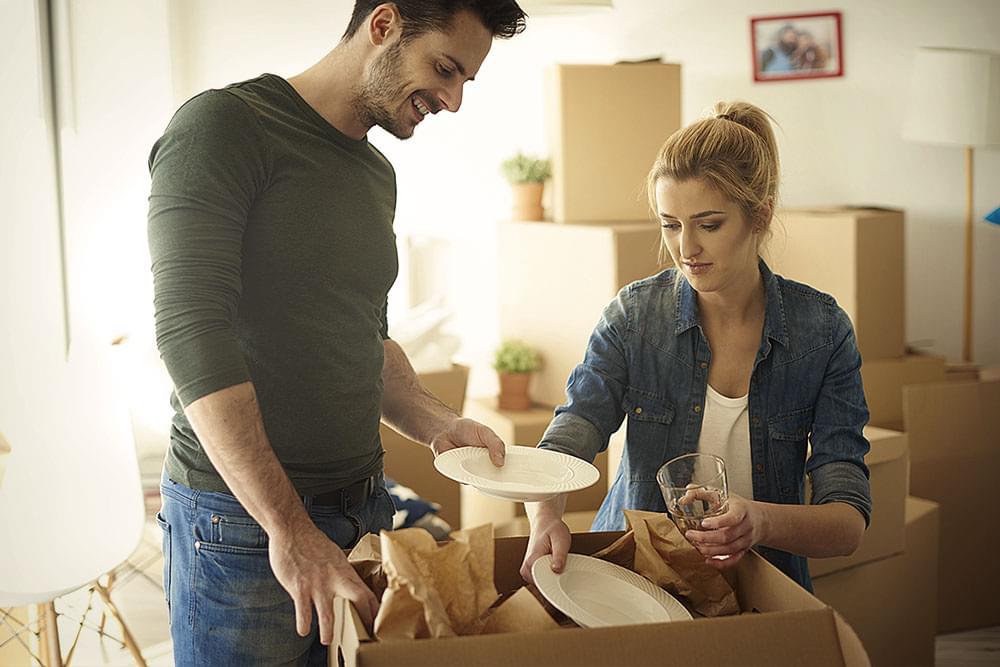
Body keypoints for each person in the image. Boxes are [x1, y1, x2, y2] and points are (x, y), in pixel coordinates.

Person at [147, 2, 526, 665]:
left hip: (362, 510)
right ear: (383, 25)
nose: (454, 100)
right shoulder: (225, 127)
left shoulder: (373, 175)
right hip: (242, 526)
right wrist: (287, 526)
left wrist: (440, 421)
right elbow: (188, 329)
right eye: (445, 68)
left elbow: (365, 341)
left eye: (466, 79)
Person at [519, 101, 872, 592]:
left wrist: (760, 523)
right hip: (634, 581)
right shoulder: (635, 318)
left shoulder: (823, 333)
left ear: (759, 217)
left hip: (758, 586)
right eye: (670, 224)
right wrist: (543, 517)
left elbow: (847, 522)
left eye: (708, 225)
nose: (686, 248)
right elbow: (572, 432)